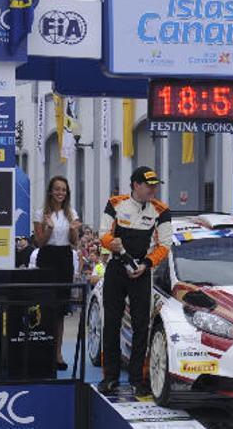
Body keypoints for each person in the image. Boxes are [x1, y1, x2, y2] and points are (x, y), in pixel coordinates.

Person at [97, 167, 173, 396]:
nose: (153, 189)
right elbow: (103, 233)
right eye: (148, 184)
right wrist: (113, 244)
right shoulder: (115, 203)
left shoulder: (162, 210)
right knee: (111, 322)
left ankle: (137, 378)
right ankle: (109, 378)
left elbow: (165, 245)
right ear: (135, 185)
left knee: (142, 325)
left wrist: (147, 265)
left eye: (155, 185)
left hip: (142, 271)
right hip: (116, 268)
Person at [33, 176, 81, 371]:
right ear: (50, 191)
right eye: (57, 189)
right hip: (47, 257)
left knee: (60, 310)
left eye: (64, 190)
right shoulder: (40, 213)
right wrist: (49, 229)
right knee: (45, 308)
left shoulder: (72, 213)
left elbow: (74, 242)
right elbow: (39, 242)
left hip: (64, 259)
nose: (61, 193)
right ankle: (43, 352)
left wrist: (72, 229)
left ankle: (58, 353)